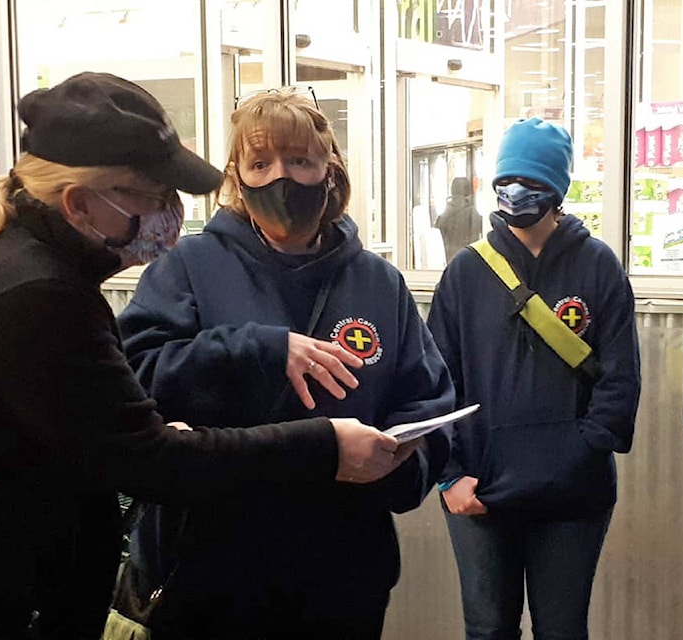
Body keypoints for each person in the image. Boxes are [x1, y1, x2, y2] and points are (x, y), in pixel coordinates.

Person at [0, 72, 406, 640]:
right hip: (68, 592)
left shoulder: (20, 271)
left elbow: (106, 433)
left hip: (342, 569)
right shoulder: (37, 296)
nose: (168, 215)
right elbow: (150, 458)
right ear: (80, 203)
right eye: (153, 197)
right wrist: (321, 440)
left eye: (300, 161)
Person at [114, 88, 455, 639]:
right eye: (260, 162)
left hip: (342, 574)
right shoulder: (188, 266)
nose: (282, 177)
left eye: (300, 160)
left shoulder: (377, 282)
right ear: (236, 176)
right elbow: (138, 377)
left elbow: (430, 401)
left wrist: (399, 468)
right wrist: (260, 348)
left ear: (330, 169)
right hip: (208, 572)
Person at [427, 117, 641, 639]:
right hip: (480, 490)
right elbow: (434, 382)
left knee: (563, 629)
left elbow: (620, 380)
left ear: (558, 190)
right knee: (487, 627)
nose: (516, 194)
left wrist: (582, 449)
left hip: (574, 496)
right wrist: (449, 475)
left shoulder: (598, 267)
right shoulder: (466, 272)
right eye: (506, 183)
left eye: (532, 184)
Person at [435, 176, 482, 261]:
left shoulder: (443, 216)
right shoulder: (473, 214)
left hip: (447, 263)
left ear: (452, 191)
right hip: (467, 261)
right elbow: (476, 241)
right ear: (468, 191)